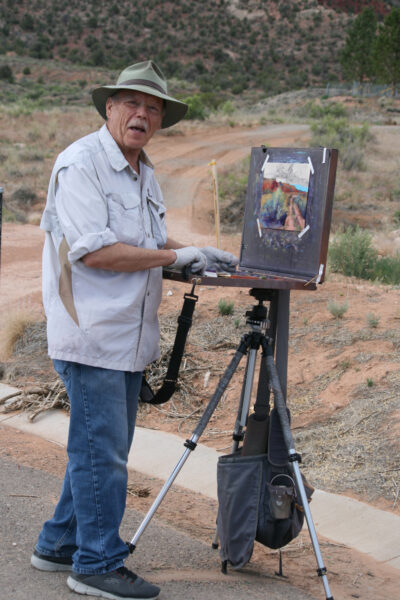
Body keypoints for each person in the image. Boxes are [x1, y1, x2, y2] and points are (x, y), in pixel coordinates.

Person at [30, 60, 238, 600]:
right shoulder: (82, 165)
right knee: (103, 452)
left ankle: (59, 544)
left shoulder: (142, 171)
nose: (142, 113)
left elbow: (139, 247)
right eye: (131, 103)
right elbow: (96, 251)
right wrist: (175, 253)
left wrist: (185, 260)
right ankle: (96, 562)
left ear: (161, 119)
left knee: (97, 446)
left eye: (153, 107)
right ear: (110, 107)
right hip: (92, 336)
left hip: (124, 339)